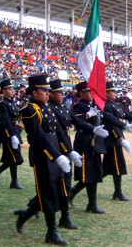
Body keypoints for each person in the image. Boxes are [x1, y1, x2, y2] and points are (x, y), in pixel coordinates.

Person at [14, 74, 71, 246]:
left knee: (53, 190)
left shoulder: (47, 107)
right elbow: (38, 137)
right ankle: (51, 233)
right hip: (43, 155)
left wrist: (66, 151)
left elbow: (57, 131)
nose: (48, 93)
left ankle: (25, 214)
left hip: (55, 153)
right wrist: (56, 155)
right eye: (44, 90)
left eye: (48, 90)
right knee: (47, 192)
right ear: (34, 92)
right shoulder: (29, 110)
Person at [69, 81, 110, 214]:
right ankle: (89, 203)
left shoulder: (93, 105)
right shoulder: (79, 106)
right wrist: (87, 115)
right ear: (81, 93)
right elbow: (74, 119)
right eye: (88, 91)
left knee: (94, 173)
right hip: (85, 142)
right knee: (87, 173)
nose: (91, 93)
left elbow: (103, 118)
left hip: (95, 143)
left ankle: (86, 201)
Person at [48, 79, 81, 229]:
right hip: (58, 149)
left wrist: (91, 127)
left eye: (62, 92)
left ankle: (64, 217)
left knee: (64, 184)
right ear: (51, 94)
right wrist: (68, 151)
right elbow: (59, 133)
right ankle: (63, 217)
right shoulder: (50, 108)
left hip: (66, 146)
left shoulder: (62, 107)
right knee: (58, 184)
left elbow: (74, 119)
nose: (63, 95)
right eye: (59, 92)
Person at [0, 79, 24, 189]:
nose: (12, 91)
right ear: (4, 91)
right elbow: (5, 121)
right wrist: (12, 135)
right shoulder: (2, 104)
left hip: (15, 131)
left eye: (12, 89)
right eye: (9, 89)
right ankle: (2, 174)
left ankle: (11, 180)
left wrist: (19, 129)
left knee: (12, 157)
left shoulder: (13, 102)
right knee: (14, 158)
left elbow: (16, 117)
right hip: (8, 133)